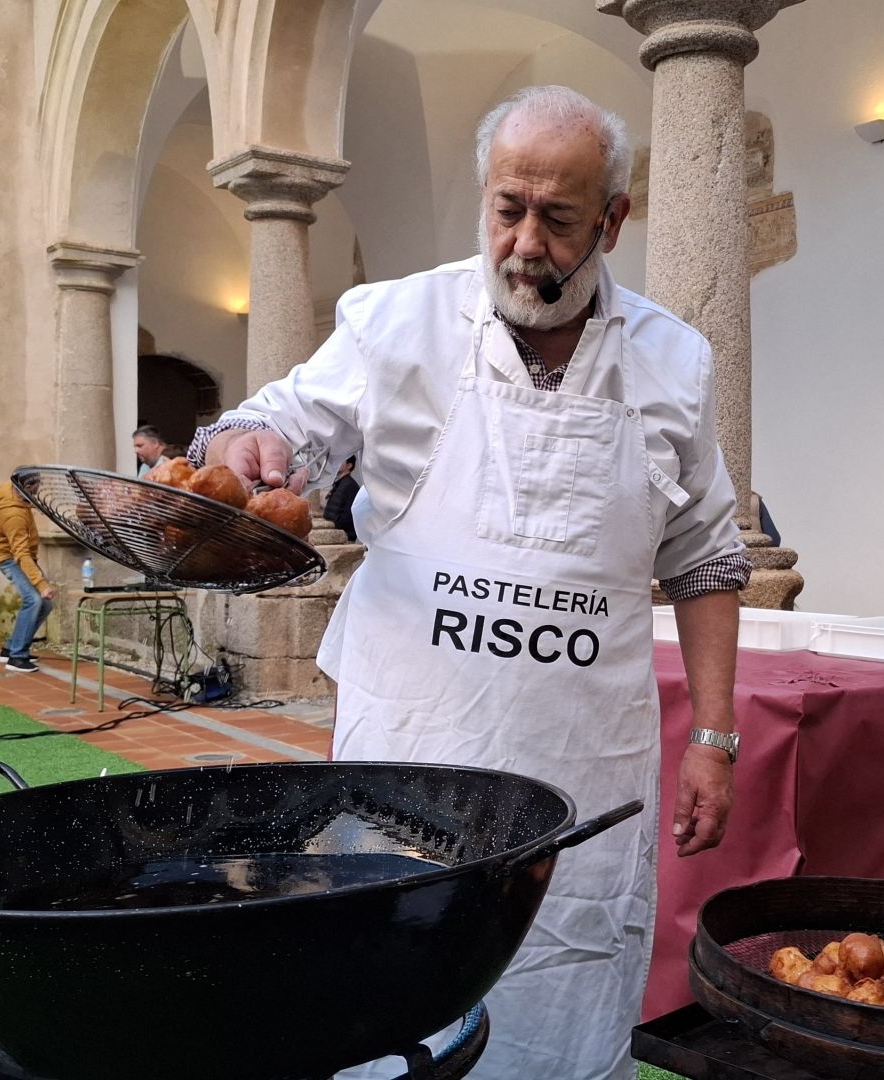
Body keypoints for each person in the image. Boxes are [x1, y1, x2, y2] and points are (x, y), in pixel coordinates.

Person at [189, 86, 744, 1079]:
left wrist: (713, 735)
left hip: (579, 773)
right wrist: (247, 445)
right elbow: (279, 422)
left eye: (560, 219)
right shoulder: (397, 322)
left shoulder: (674, 363)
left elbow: (705, 558)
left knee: (559, 1001)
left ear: (614, 220)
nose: (526, 243)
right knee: (387, 997)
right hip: (408, 755)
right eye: (507, 209)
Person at [0, 479, 53, 672]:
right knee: (33, 599)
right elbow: (21, 554)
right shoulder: (13, 513)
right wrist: (41, 584)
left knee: (46, 603)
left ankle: (10, 648)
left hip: (21, 558)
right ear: (24, 488)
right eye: (35, 490)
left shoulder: (15, 498)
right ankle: (17, 657)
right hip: (11, 560)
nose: (36, 494)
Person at [323, 456, 360, 542]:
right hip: (333, 532)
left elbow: (349, 513)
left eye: (341, 461)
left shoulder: (350, 485)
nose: (336, 464)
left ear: (349, 465)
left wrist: (336, 524)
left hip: (343, 536)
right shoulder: (339, 483)